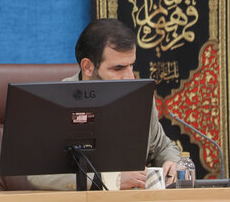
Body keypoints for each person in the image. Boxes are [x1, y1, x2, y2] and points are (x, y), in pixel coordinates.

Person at [28, 18, 180, 191]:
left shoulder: (140, 97)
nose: (130, 77)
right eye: (118, 68)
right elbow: (38, 175)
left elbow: (161, 146)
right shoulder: (57, 103)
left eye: (131, 65)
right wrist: (107, 180)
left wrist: (172, 162)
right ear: (88, 67)